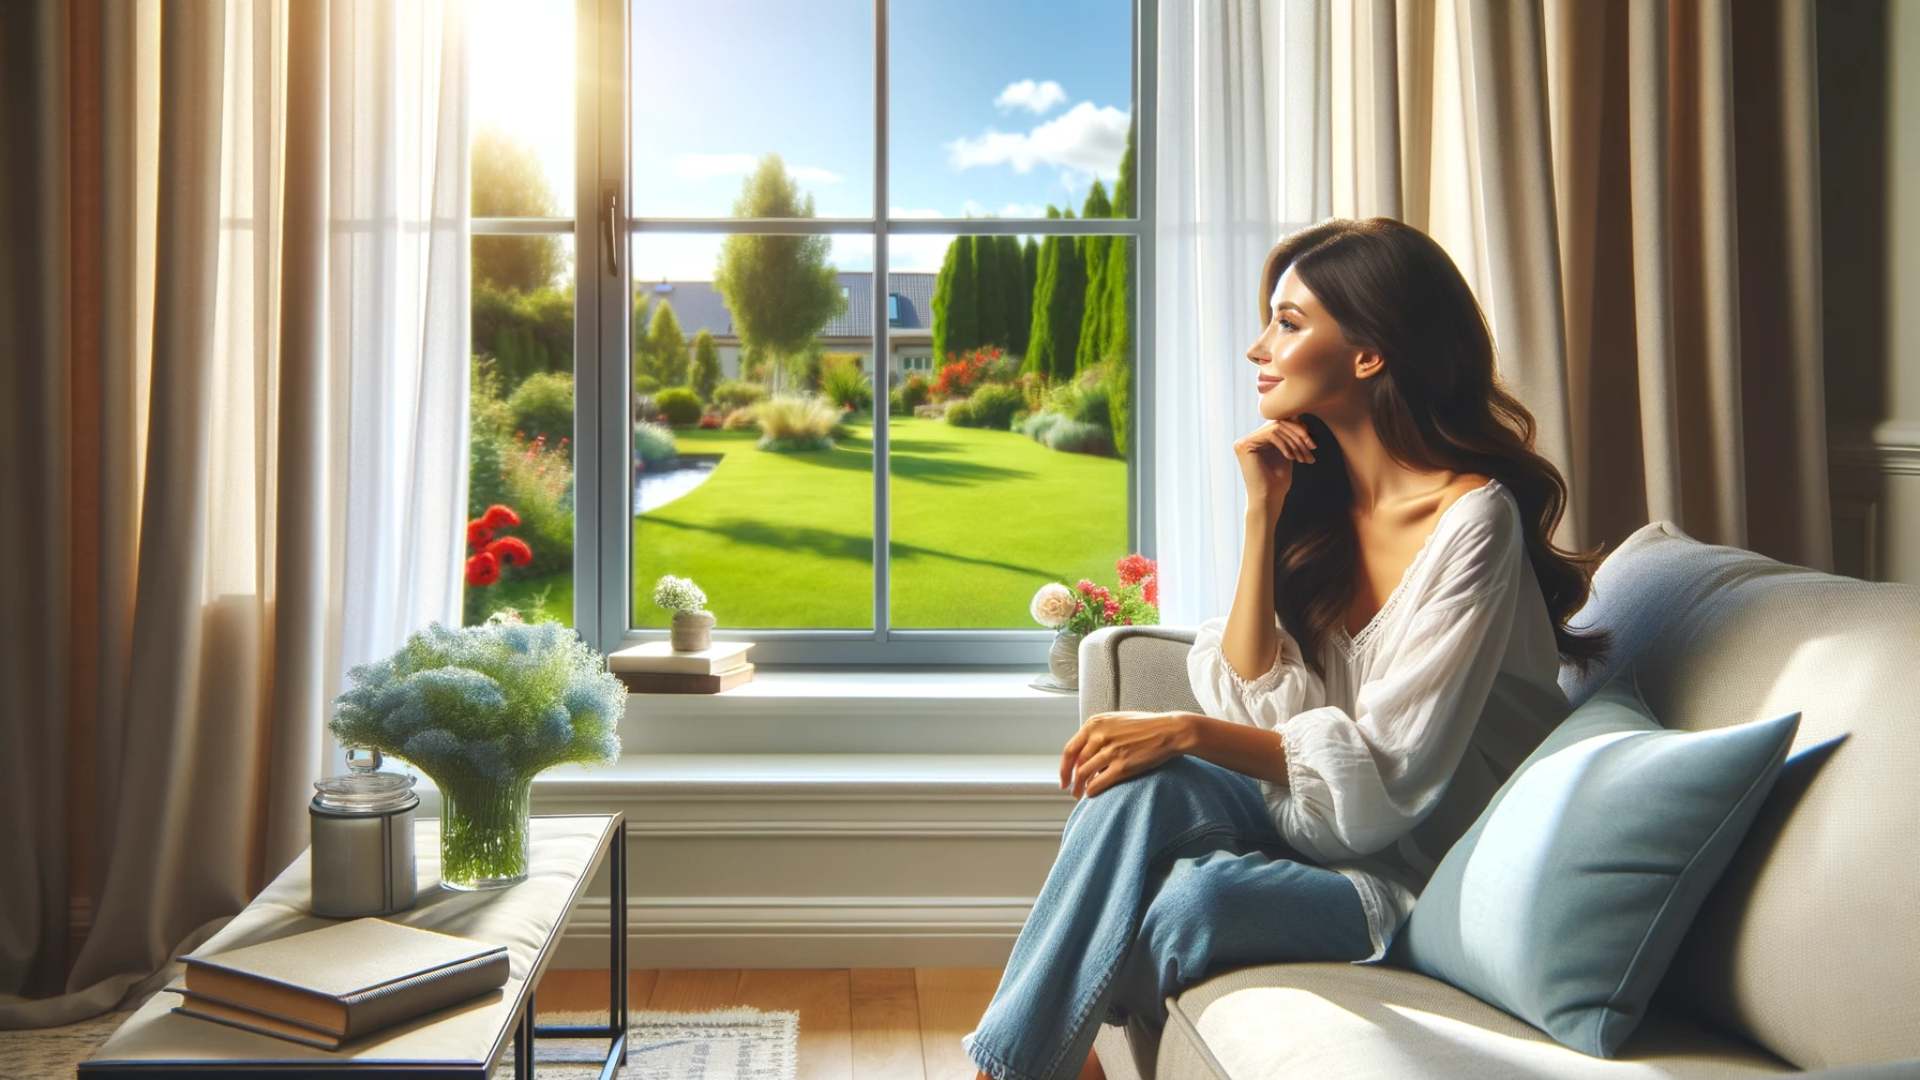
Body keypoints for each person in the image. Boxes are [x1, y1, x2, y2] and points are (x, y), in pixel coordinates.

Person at [962, 218, 1611, 1080]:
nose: (1257, 346)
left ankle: (1050, 1056)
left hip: (1426, 875)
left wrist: (1184, 731)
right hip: (1326, 836)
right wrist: (1262, 512)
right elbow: (1246, 688)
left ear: (1370, 353)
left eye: (1290, 322)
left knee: (1192, 903)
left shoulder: (1474, 522)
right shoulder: (1321, 502)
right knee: (1139, 794)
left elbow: (1389, 781)